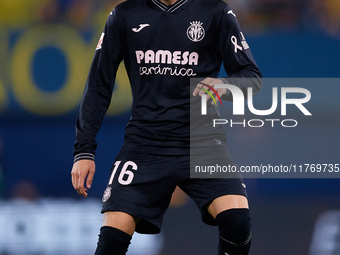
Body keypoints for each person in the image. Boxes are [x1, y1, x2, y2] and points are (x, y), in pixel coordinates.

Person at [71, 0, 262, 254]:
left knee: (237, 221)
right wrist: (84, 151)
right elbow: (98, 85)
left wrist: (222, 86)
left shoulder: (215, 12)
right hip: (145, 145)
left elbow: (251, 77)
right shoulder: (124, 15)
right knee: (110, 241)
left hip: (202, 141)